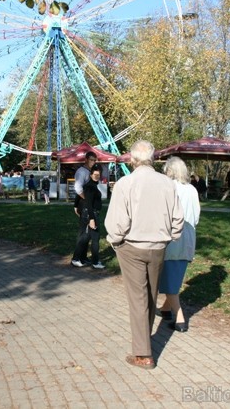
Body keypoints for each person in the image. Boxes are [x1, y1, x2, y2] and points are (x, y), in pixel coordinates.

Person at [104, 140, 184, 370]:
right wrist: (170, 236)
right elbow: (177, 218)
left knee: (138, 299)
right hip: (158, 246)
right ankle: (144, 343)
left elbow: (118, 221)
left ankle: (143, 354)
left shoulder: (125, 183)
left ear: (132, 159)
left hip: (132, 246)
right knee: (150, 295)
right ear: (153, 158)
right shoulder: (167, 184)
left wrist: (115, 240)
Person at [158, 157, 200, 332]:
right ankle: (166, 309)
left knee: (168, 283)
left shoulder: (169, 188)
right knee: (174, 277)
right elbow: (196, 216)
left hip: (172, 237)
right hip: (189, 237)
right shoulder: (192, 189)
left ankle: (180, 319)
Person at [71, 164, 105, 269]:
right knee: (86, 238)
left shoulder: (90, 185)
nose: (96, 176)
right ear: (90, 175)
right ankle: (76, 259)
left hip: (90, 214)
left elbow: (79, 195)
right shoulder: (90, 187)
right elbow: (88, 203)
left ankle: (92, 261)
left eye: (98, 175)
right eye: (95, 175)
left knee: (91, 238)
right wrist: (91, 219)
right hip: (90, 214)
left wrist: (76, 205)